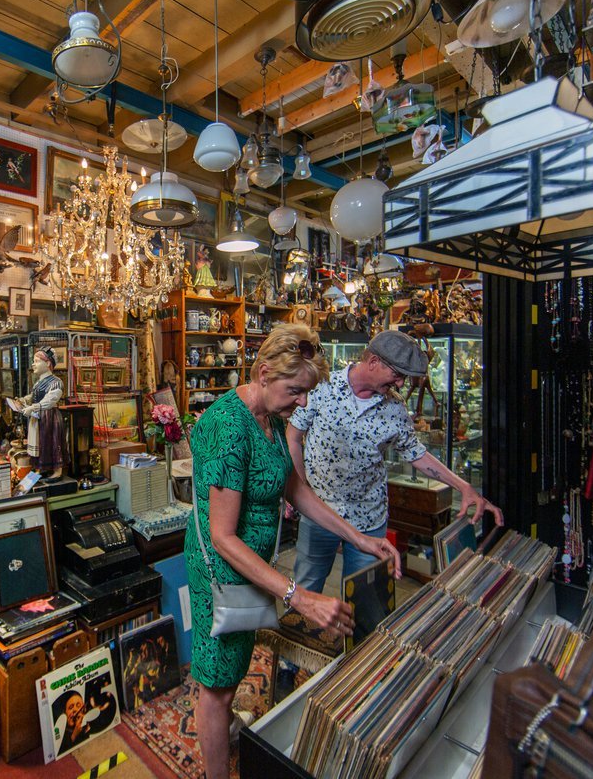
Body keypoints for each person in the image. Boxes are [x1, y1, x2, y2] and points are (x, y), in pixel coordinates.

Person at [185, 323, 401, 779]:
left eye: (307, 392)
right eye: (295, 391)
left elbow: (295, 488)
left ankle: (224, 736)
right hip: (221, 570)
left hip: (254, 566)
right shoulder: (228, 428)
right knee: (218, 685)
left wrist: (358, 536)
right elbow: (223, 538)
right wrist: (299, 596)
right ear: (263, 373)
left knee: (236, 666)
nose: (302, 403)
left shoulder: (271, 419)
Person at [287, 330, 503, 616]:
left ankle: (361, 658)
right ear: (374, 361)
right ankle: (296, 656)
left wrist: (463, 485)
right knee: (306, 592)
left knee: (367, 603)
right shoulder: (321, 387)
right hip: (319, 513)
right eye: (398, 374)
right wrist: (298, 491)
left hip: (368, 518)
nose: (400, 383)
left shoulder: (395, 407)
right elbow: (293, 436)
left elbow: (416, 453)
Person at [8, 347, 64, 478]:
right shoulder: (39, 382)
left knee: (51, 442)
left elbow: (50, 400)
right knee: (39, 442)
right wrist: (23, 400)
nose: (33, 364)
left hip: (49, 417)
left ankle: (57, 470)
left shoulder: (56, 382)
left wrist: (33, 407)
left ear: (48, 363)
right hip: (38, 416)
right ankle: (41, 467)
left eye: (37, 361)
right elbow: (33, 396)